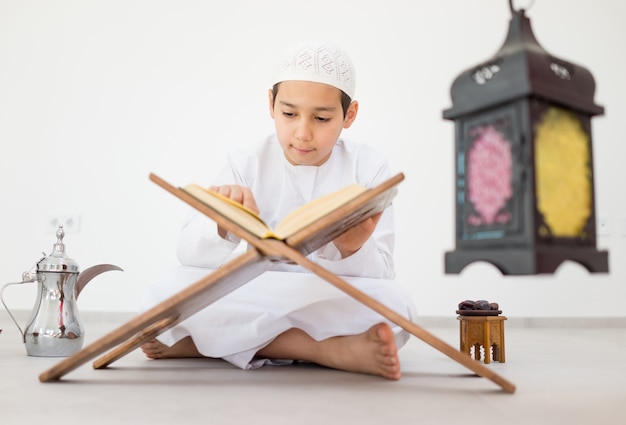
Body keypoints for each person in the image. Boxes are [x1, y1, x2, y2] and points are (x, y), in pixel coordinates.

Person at [140, 43, 417, 380]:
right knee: (165, 289)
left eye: (322, 118)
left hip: (324, 293)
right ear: (271, 104)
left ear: (350, 115)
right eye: (289, 114)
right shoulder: (245, 163)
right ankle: (325, 349)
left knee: (397, 303)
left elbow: (383, 272)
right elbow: (188, 254)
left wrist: (353, 247)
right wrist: (224, 228)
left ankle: (201, 344)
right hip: (255, 289)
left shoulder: (369, 167)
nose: (302, 132)